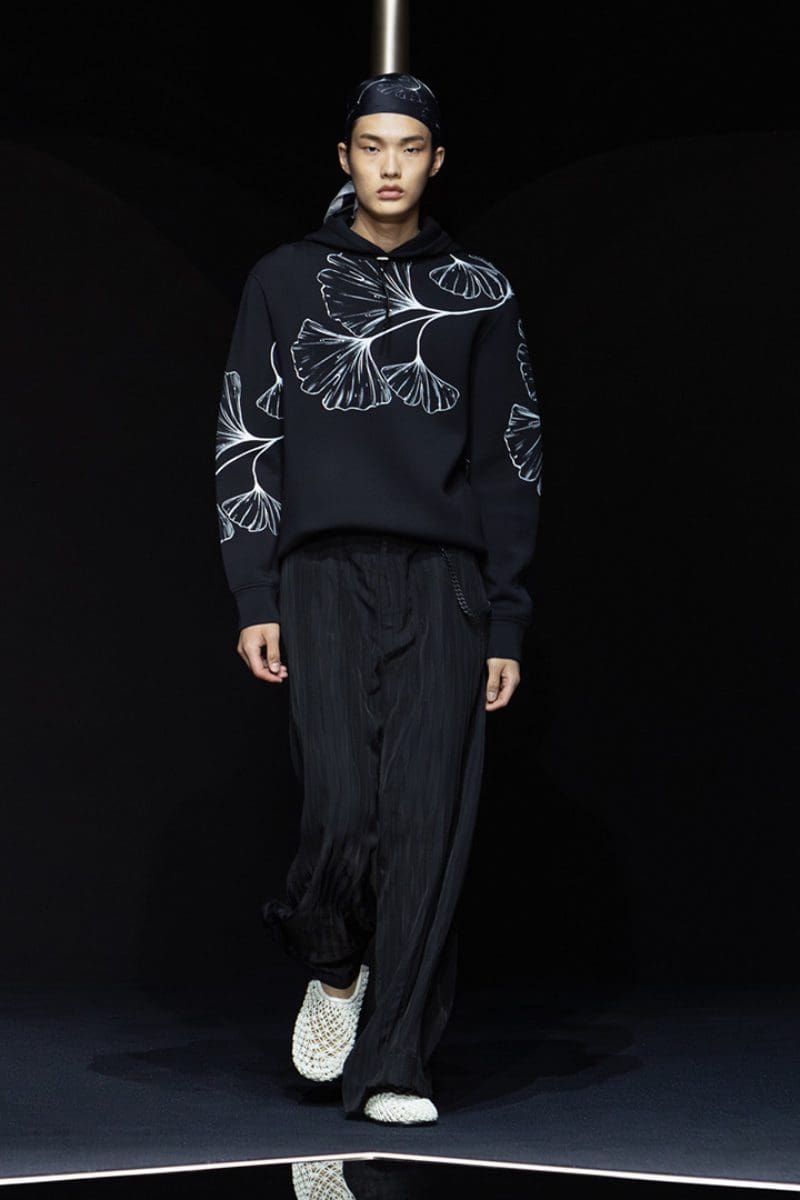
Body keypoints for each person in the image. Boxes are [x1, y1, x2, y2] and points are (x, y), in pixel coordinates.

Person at [214, 71, 543, 1125]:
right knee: (342, 807)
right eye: (370, 146)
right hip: (318, 573)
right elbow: (248, 434)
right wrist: (254, 592)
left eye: (408, 147)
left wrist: (505, 615)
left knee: (423, 823)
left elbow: (509, 459)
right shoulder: (284, 277)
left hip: (445, 579)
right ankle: (333, 959)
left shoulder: (480, 289)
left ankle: (394, 1063)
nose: (389, 166)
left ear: (435, 161)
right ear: (344, 158)